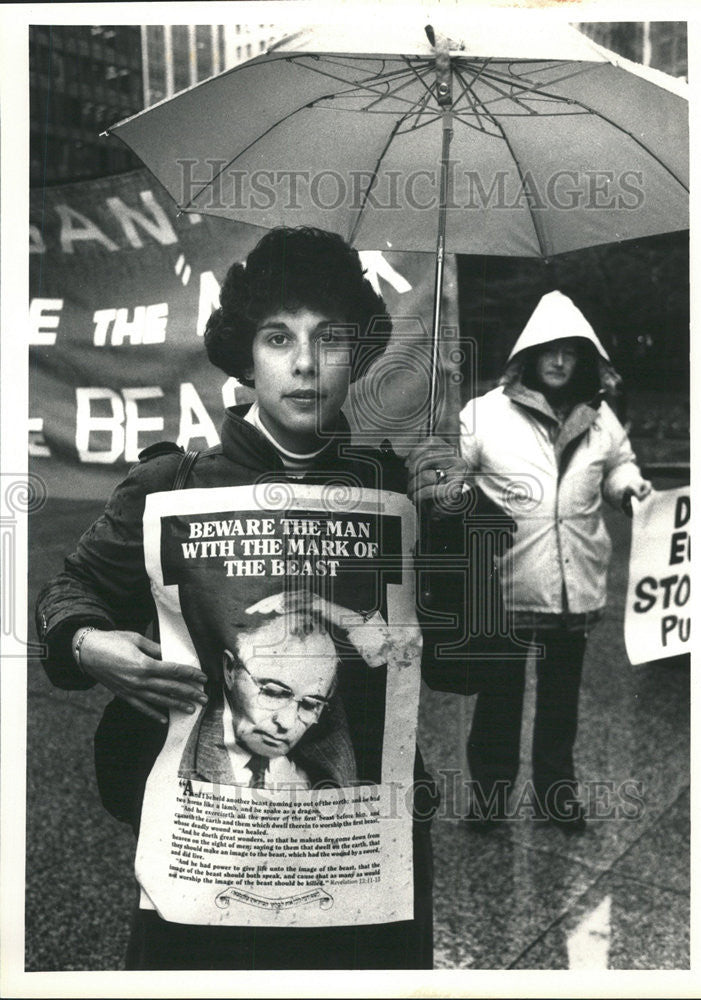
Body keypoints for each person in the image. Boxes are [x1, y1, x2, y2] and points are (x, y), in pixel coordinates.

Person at [35, 226, 469, 970]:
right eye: (278, 338)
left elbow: (463, 665)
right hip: (205, 859)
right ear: (245, 355)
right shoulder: (169, 485)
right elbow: (68, 592)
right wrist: (84, 642)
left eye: (329, 338)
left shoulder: (398, 487)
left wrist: (456, 522)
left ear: (357, 354)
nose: (305, 363)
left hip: (362, 852)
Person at [459, 290, 652, 833]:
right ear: (529, 355)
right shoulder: (484, 414)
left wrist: (629, 488)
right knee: (499, 700)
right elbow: (453, 471)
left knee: (561, 703)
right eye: (549, 350)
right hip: (507, 583)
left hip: (575, 583)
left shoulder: (600, 418)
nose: (560, 362)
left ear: (585, 356)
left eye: (570, 351)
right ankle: (490, 799)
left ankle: (555, 795)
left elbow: (618, 465)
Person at [178, 605, 359, 789]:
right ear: (230, 670)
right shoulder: (181, 742)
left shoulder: (333, 759)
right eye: (274, 692)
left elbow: (386, 660)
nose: (287, 723)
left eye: (309, 705)